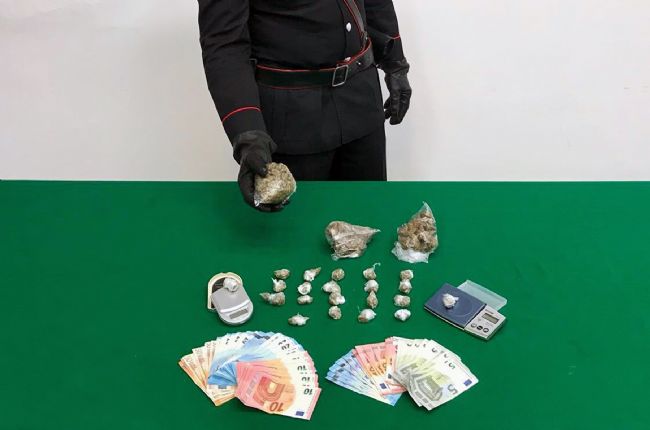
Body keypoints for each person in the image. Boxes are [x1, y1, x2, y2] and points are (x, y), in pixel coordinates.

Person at [198, 0, 412, 211]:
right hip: (293, 122)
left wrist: (395, 62)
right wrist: (247, 133)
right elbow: (225, 46)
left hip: (362, 103)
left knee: (368, 214)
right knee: (299, 226)